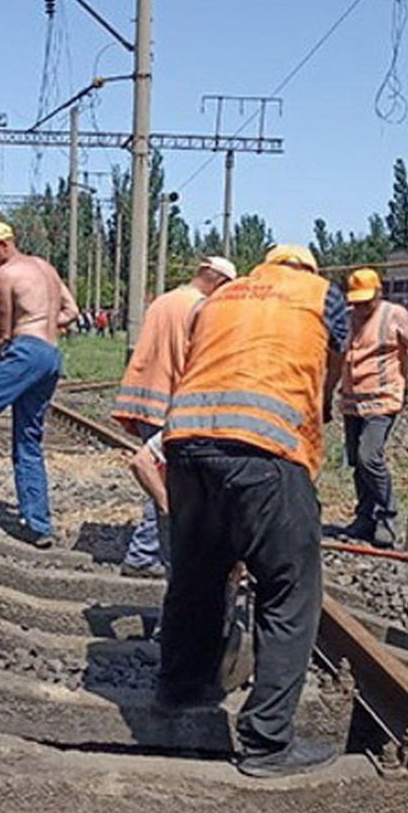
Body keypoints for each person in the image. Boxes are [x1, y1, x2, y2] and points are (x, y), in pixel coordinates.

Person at [157, 244, 349, 778]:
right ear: (308, 270)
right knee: (290, 590)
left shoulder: (220, 296)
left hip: (188, 442)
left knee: (196, 576)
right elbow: (330, 370)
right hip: (264, 451)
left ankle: (179, 688)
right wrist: (322, 409)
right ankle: (267, 742)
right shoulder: (320, 295)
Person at [0, 222, 79, 547]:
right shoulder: (46, 268)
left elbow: (1, 334)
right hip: (50, 356)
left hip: (25, 353)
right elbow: (72, 311)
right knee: (28, 441)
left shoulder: (5, 275)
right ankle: (39, 525)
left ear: (4, 244)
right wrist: (43, 322)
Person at [111, 256, 236, 577]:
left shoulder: (164, 301)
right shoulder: (200, 308)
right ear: (219, 282)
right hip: (172, 402)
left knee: (162, 479)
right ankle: (145, 555)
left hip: (145, 398)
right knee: (170, 484)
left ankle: (151, 552)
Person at [336, 268, 408, 548]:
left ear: (379, 293)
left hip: (384, 398)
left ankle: (386, 518)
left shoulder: (395, 315)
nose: (360, 306)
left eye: (366, 300)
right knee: (357, 461)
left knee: (370, 456)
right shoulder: (346, 316)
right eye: (356, 301)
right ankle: (365, 516)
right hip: (352, 400)